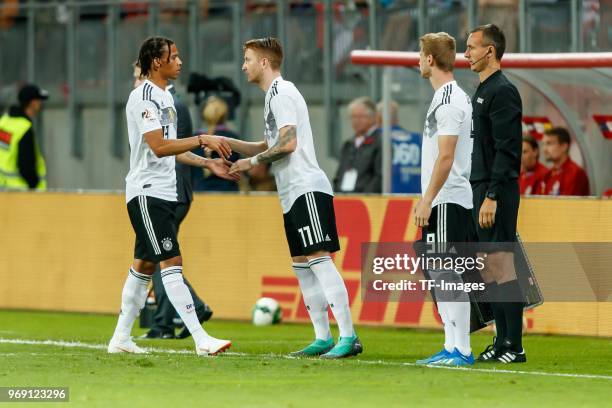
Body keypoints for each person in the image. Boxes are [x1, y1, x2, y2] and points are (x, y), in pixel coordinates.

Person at [227, 37, 362, 359]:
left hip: (306, 187)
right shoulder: (274, 96)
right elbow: (269, 144)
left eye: (247, 59)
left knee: (319, 258)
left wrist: (251, 164)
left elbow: (287, 144)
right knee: (302, 264)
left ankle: (348, 335)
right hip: (290, 193)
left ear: (263, 62)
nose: (243, 65)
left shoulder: (282, 92)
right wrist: (226, 142)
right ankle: (322, 337)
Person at [107, 36, 238, 356]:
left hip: (164, 192)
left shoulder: (165, 98)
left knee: (143, 267)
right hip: (147, 193)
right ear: (156, 62)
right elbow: (159, 146)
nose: (180, 62)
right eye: (174, 57)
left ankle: (121, 338)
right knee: (172, 261)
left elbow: (171, 150)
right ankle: (201, 338)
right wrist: (202, 138)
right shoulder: (143, 97)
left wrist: (207, 162)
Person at [130, 63, 213, 340]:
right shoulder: (160, 102)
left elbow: (168, 147)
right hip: (164, 190)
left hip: (167, 192)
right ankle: (155, 325)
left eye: (137, 75)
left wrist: (202, 148)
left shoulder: (169, 103)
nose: (134, 81)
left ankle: (172, 321)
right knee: (150, 259)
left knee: (163, 257)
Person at [412, 32, 474, 367]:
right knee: (438, 273)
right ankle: (450, 345)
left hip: (449, 198)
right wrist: (425, 198)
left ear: (431, 59)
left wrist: (428, 199)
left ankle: (462, 349)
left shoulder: (450, 100)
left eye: (420, 54)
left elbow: (447, 158)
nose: (418, 60)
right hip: (440, 198)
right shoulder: (444, 97)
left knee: (449, 273)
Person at [465, 24, 526, 363]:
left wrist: (492, 195)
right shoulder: (483, 90)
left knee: (503, 266)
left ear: (490, 51)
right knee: (490, 268)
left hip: (494, 191)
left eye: (472, 47)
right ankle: (502, 341)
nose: (467, 53)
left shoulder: (502, 91)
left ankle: (514, 345)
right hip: (481, 187)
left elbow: (508, 149)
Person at [0, 84, 49, 190]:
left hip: (3, 189)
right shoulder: (24, 128)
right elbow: (26, 167)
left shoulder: (4, 121)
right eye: (39, 100)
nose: (40, 104)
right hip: (21, 192)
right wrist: (34, 184)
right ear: (33, 103)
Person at [192, 96, 241, 192]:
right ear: (225, 115)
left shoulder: (194, 138)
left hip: (200, 192)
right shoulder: (232, 137)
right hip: (228, 192)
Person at [333, 96, 382, 193]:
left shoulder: (380, 142)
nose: (356, 121)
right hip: (344, 199)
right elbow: (339, 174)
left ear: (373, 118)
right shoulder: (348, 144)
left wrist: (365, 196)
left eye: (361, 116)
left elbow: (380, 176)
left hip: (367, 201)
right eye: (353, 117)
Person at [540, 127, 590, 196]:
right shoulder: (547, 174)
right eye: (544, 144)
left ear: (564, 146)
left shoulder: (575, 173)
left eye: (549, 144)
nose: (544, 149)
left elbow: (569, 205)